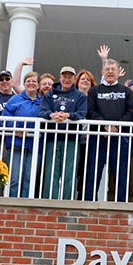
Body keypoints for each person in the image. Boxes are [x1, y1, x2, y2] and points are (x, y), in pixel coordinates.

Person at [84, 48, 133, 202]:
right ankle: (89, 202)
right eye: (107, 69)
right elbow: (90, 110)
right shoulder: (94, 91)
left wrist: (117, 126)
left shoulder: (126, 91)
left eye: (113, 69)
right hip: (98, 137)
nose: (110, 72)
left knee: (120, 173)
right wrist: (104, 125)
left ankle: (120, 203)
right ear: (102, 72)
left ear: (118, 72)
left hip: (119, 137)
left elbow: (131, 111)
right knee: (93, 171)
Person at [39, 66, 87, 200]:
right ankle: (49, 200)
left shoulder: (80, 96)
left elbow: (82, 114)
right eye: (64, 76)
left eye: (70, 77)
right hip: (52, 138)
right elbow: (42, 111)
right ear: (60, 78)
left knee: (69, 173)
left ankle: (68, 201)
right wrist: (52, 115)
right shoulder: (49, 94)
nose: (67, 79)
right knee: (50, 172)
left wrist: (68, 115)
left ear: (74, 79)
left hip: (71, 139)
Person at [1, 71, 43, 198]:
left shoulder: (43, 102)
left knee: (29, 179)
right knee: (14, 178)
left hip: (35, 145)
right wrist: (16, 129)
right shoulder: (15, 99)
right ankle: (12, 204)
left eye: (34, 81)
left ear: (38, 85)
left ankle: (25, 207)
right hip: (16, 143)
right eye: (28, 81)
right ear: (24, 84)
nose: (31, 83)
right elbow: (4, 119)